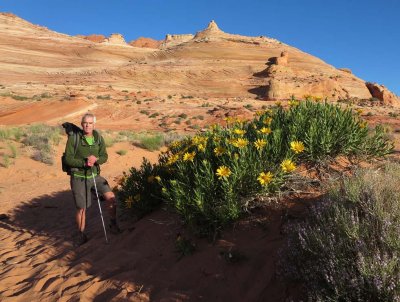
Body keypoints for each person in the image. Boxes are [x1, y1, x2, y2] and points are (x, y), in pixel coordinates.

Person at [64, 113, 120, 246]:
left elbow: (104, 156)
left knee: (111, 197)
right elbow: (68, 159)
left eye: (90, 123)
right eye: (85, 123)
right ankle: (81, 234)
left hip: (94, 175)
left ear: (94, 125)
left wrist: (97, 160)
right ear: (82, 124)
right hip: (79, 177)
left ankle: (113, 224)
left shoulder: (98, 138)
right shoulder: (74, 138)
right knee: (82, 208)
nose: (87, 125)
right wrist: (84, 163)